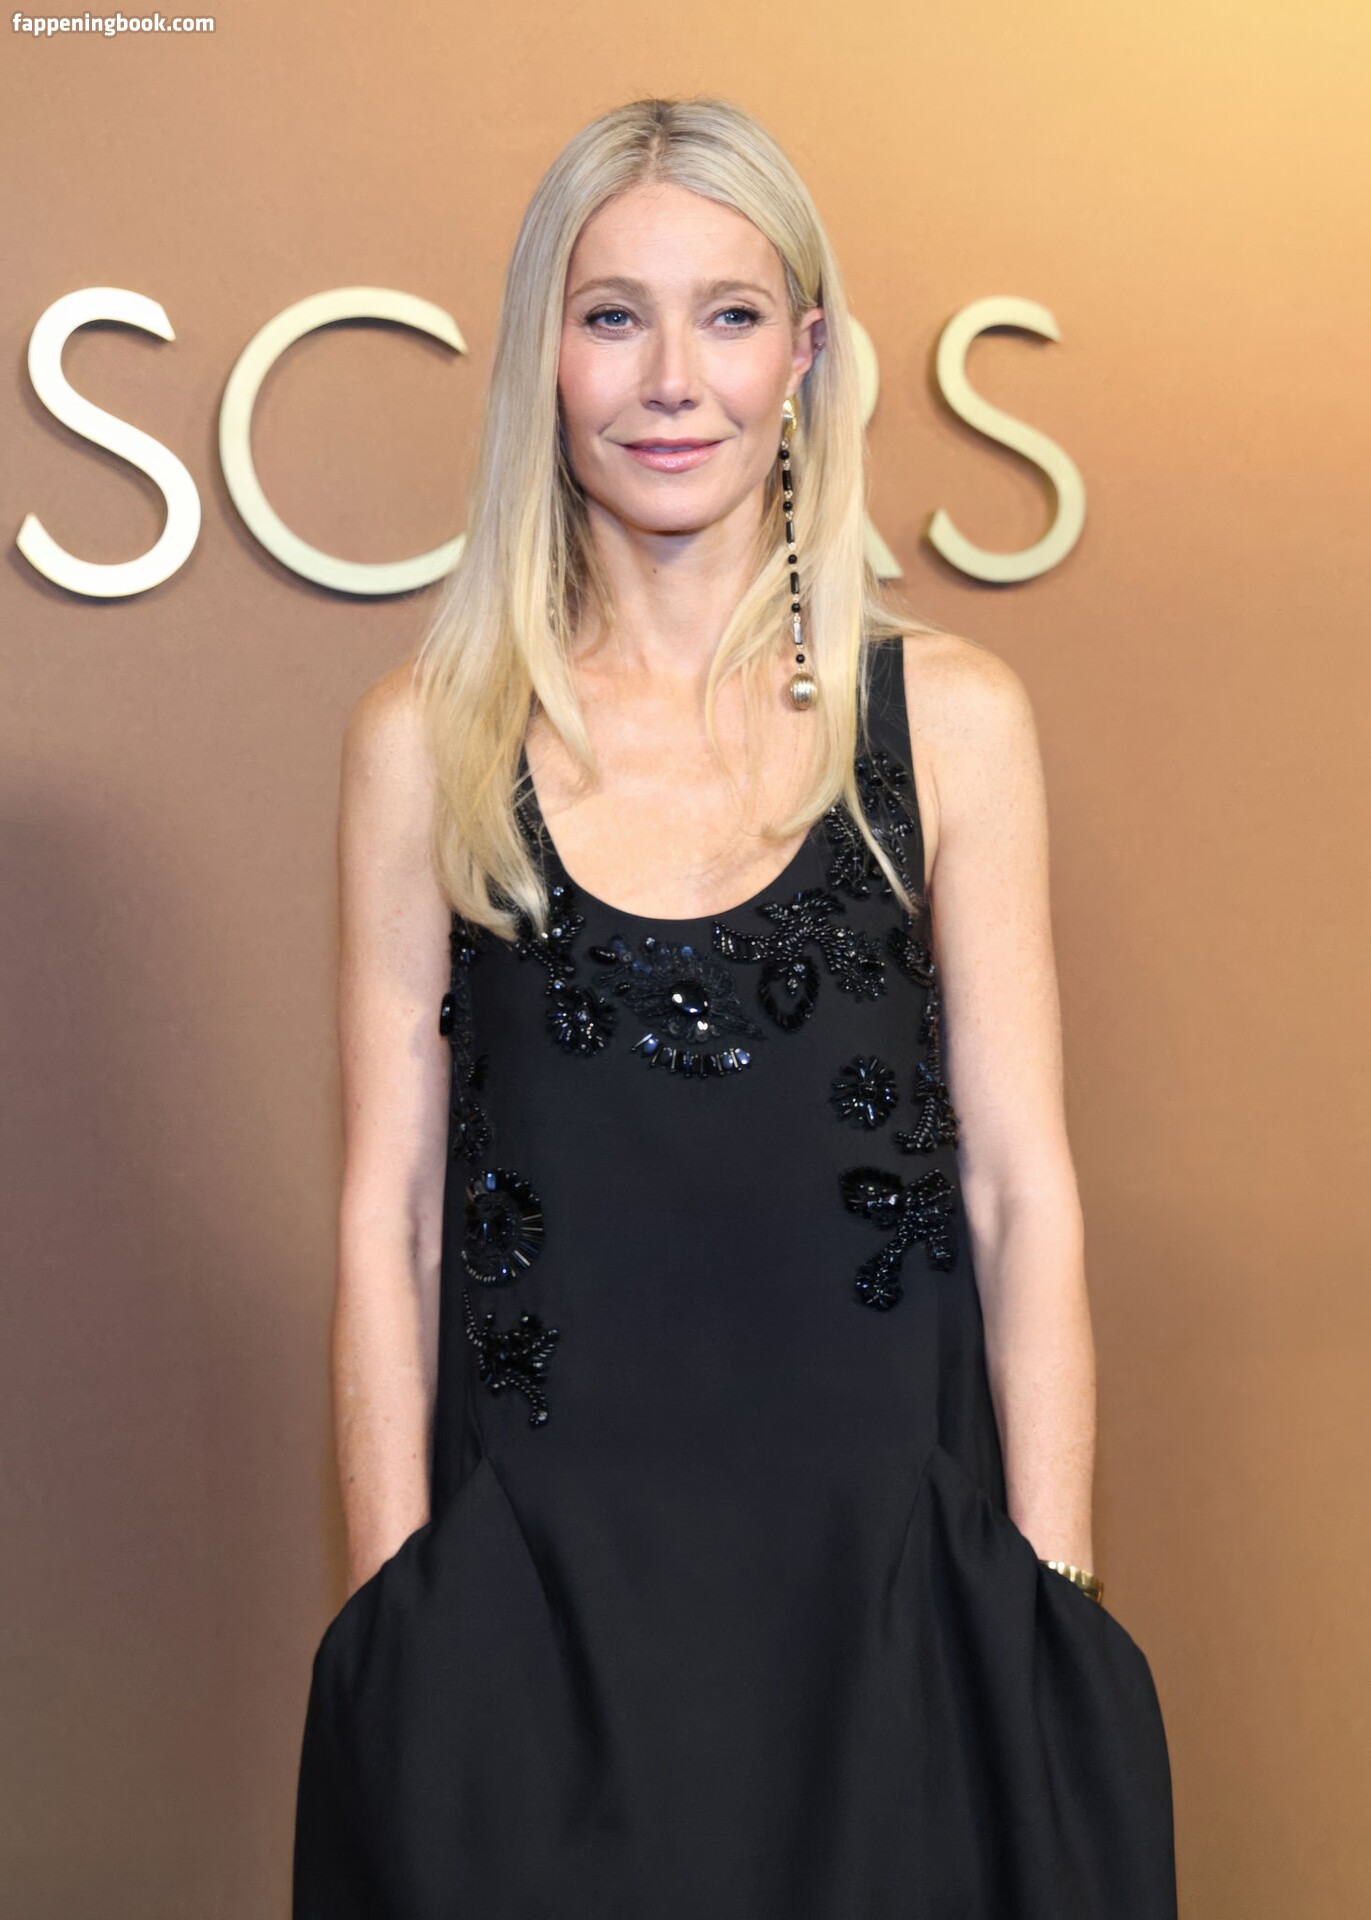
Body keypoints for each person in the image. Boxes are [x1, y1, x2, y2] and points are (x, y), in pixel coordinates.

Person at [292, 94, 1177, 1920]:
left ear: (808, 354)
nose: (672, 380)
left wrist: (1051, 1599)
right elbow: (388, 1214)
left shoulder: (949, 720)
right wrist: (395, 1607)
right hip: (532, 1628)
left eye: (730, 313)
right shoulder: (427, 741)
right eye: (614, 316)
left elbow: (1022, 1190)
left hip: (895, 1618)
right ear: (544, 356)